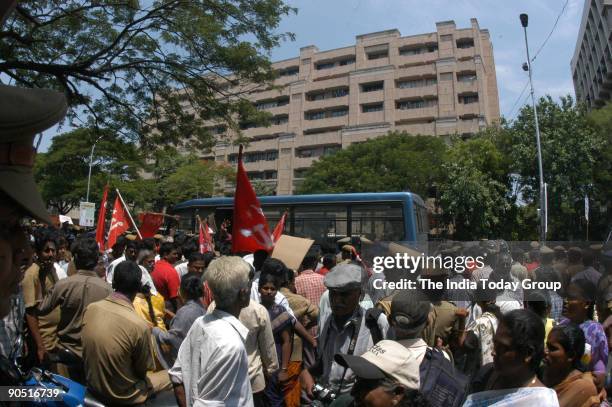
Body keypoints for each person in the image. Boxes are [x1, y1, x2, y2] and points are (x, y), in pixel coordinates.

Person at [81, 261, 172, 405]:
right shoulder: (138, 325)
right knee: (173, 376)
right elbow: (142, 371)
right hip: (123, 395)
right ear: (138, 287)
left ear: (114, 282)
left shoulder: (91, 308)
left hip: (93, 386)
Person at [169, 256, 254, 406]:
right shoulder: (230, 346)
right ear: (243, 293)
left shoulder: (200, 323)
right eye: (249, 283)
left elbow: (177, 377)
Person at [300, 263, 389, 398]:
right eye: (332, 294)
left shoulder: (376, 323)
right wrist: (308, 373)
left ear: (360, 293)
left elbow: (388, 371)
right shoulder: (326, 319)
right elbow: (325, 361)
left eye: (344, 295)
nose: (336, 300)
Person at [37, 237, 112, 381]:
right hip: (94, 358)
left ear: (75, 258)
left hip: (65, 354)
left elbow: (41, 309)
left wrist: (41, 280)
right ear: (96, 259)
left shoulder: (63, 285)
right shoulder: (108, 290)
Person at [465, 309, 560, 406]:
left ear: (528, 354)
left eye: (503, 348)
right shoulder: (487, 375)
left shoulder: (541, 402)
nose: (493, 352)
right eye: (495, 344)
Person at [335, 340, 431, 407]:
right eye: (357, 379)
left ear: (397, 393)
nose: (353, 391)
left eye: (366, 386)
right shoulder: (344, 403)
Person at [280, 266, 319, 407]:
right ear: (290, 281)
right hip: (294, 352)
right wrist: (306, 327)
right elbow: (316, 314)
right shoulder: (299, 300)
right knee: (291, 388)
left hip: (273, 352)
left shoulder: (269, 297)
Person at [23, 230, 62, 366]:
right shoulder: (32, 274)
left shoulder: (52, 270)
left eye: (53, 250)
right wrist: (40, 346)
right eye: (46, 251)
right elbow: (30, 312)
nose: (51, 254)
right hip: (41, 342)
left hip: (54, 340)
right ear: (38, 253)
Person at [560, 279, 608, 389]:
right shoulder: (562, 324)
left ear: (586, 303)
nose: (566, 301)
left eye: (571, 298)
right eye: (566, 297)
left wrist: (598, 376)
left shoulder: (595, 330)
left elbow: (598, 365)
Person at [153, 274, 206, 366]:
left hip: (187, 363)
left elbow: (172, 338)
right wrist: (174, 317)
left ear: (182, 291)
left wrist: (155, 330)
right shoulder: (200, 306)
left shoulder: (185, 312)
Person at [542, 324, 600, 407]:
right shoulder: (541, 375)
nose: (545, 351)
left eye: (552, 348)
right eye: (546, 346)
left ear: (571, 355)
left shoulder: (583, 389)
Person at [259, 272, 293, 407]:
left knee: (275, 400)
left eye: (272, 289)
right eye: (265, 288)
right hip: (258, 363)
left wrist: (284, 370)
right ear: (259, 289)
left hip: (276, 361)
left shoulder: (280, 312)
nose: (268, 292)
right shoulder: (254, 310)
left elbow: (287, 341)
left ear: (276, 291)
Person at [151, 242, 182, 312]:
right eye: (174, 254)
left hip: (153, 307)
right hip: (166, 311)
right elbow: (175, 297)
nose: (177, 256)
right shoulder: (170, 272)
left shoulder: (153, 266)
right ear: (165, 255)